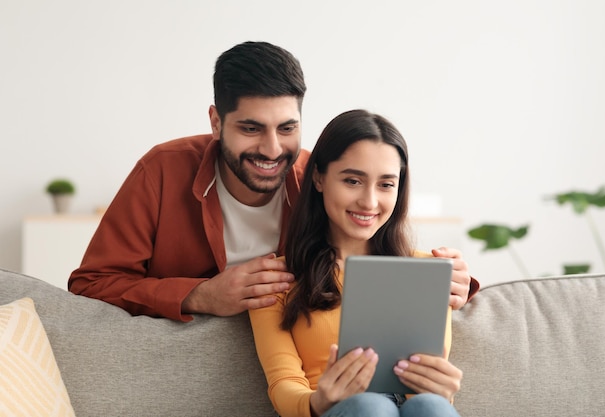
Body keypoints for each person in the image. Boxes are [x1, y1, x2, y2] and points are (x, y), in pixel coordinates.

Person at [69, 41, 478, 322]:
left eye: (287, 128)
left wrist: (454, 281)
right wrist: (200, 295)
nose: (271, 148)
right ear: (216, 122)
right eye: (251, 128)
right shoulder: (161, 170)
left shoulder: (316, 178)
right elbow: (90, 285)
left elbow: (372, 256)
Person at [249, 109, 463, 417]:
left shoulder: (430, 271)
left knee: (431, 405)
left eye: (386, 184)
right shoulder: (276, 280)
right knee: (370, 406)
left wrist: (441, 390)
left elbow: (429, 381)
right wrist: (320, 400)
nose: (369, 201)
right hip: (334, 411)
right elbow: (283, 384)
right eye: (353, 180)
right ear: (319, 178)